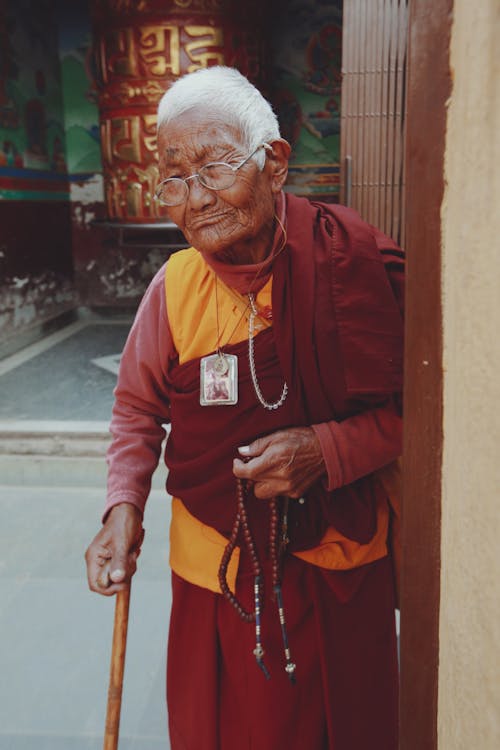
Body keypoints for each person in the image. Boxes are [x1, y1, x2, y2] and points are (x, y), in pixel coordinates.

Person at [85, 66, 404, 750]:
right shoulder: (174, 287)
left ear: (275, 163)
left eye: (216, 167)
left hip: (337, 557)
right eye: (174, 177)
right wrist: (122, 507)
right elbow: (137, 409)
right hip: (217, 571)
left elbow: (424, 417)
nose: (195, 198)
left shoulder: (354, 262)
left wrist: (328, 451)